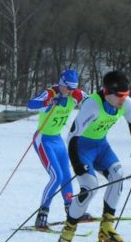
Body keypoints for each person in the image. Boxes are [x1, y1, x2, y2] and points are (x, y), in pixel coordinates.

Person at [57, 70, 131, 242]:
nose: (124, 99)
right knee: (90, 187)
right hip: (81, 148)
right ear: (107, 92)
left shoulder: (126, 103)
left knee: (118, 176)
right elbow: (73, 137)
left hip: (101, 147)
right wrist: (77, 164)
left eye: (126, 94)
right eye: (120, 95)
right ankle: (68, 231)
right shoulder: (92, 105)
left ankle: (106, 228)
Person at [26, 69, 87, 228]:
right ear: (62, 84)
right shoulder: (50, 93)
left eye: (74, 88)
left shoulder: (75, 94)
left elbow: (91, 100)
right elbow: (31, 104)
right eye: (69, 88)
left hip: (58, 140)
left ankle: (70, 209)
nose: (72, 91)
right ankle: (42, 213)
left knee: (66, 175)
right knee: (56, 177)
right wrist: (50, 102)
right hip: (43, 140)